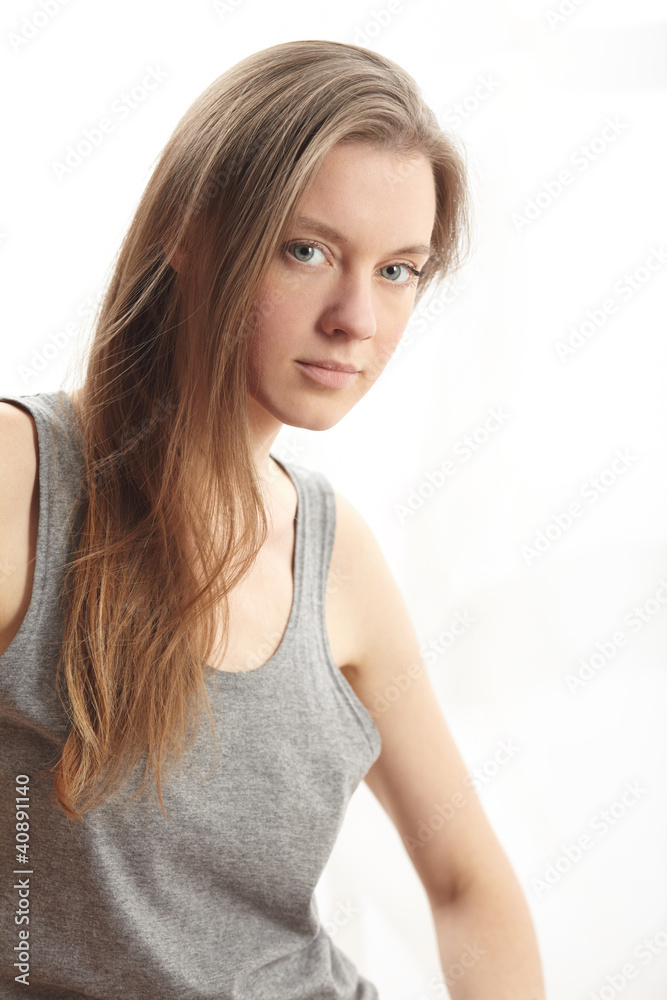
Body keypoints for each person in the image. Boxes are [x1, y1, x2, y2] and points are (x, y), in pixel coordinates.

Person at [0, 39, 546, 1000]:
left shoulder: (335, 556)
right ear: (186, 230)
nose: (356, 319)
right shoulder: (26, 480)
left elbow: (468, 883)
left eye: (398, 270)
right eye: (308, 251)